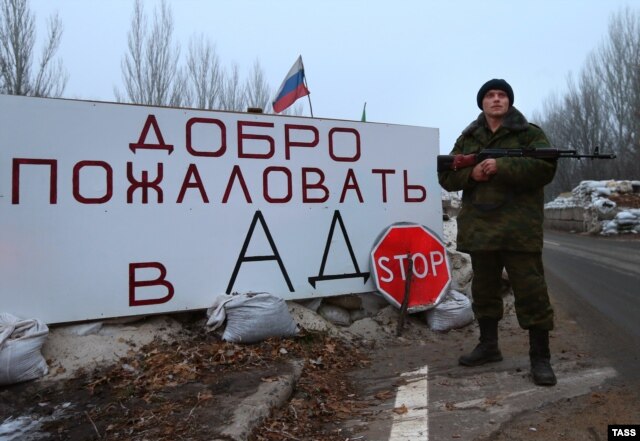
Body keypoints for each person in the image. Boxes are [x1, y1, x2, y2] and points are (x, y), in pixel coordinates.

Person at [438, 79, 558, 386]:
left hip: (520, 230)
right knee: (484, 292)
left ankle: (540, 357)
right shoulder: (469, 136)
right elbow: (446, 175)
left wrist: (502, 167)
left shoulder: (529, 133)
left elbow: (545, 168)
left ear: (509, 101)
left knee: (532, 293)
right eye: (490, 95)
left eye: (501, 95)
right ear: (482, 103)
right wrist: (474, 173)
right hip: (482, 230)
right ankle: (489, 346)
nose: (496, 100)